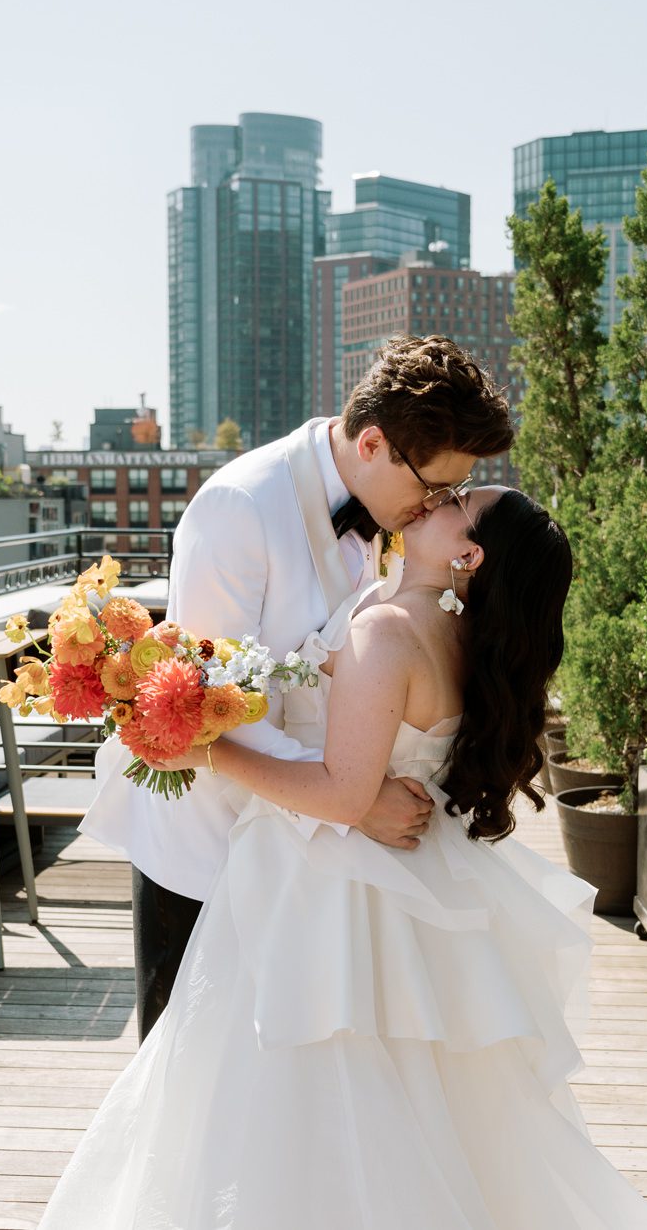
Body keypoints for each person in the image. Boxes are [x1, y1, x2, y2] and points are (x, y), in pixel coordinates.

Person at [39, 488, 647, 1228]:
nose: (437, 498)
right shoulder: (450, 631)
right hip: (403, 878)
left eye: (458, 502)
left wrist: (207, 750)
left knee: (291, 1091)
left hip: (323, 884)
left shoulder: (390, 632)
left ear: (469, 555)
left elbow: (343, 794)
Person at [81, 334, 516, 1037]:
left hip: (313, 867)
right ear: (372, 444)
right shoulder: (240, 509)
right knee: (192, 1069)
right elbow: (208, 706)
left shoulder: (389, 508)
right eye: (431, 488)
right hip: (207, 851)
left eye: (450, 494)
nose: (435, 506)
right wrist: (353, 800)